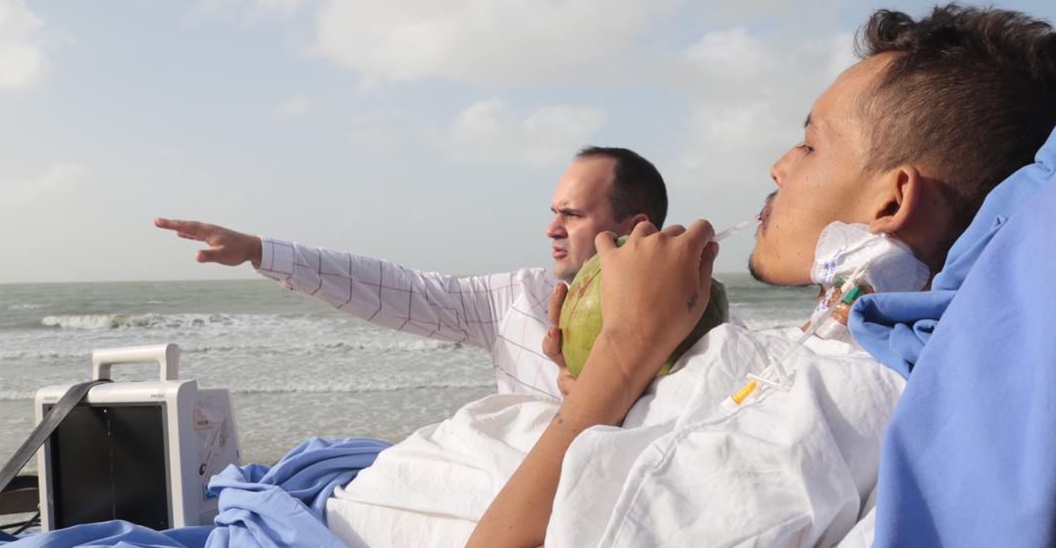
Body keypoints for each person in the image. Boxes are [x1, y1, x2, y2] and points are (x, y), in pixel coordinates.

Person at [0, 4, 1056, 548]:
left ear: (888, 202)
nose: (774, 165)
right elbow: (412, 296)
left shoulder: (822, 413)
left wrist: (628, 353)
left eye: (808, 140)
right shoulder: (824, 353)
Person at [154, 146, 669, 400]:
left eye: (572, 215)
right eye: (555, 212)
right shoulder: (516, 299)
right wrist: (258, 250)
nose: (551, 229)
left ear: (633, 226)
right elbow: (392, 289)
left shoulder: (691, 321)